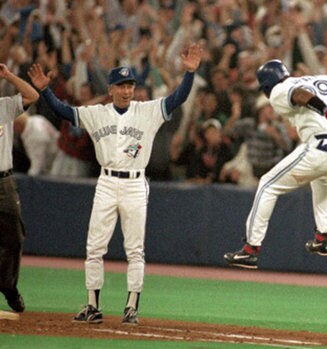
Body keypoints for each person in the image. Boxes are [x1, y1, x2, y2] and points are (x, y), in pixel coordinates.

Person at [27, 43, 202, 325]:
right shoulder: (98, 113)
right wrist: (46, 91)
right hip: (106, 182)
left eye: (130, 85)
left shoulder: (147, 111)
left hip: (134, 184)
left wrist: (190, 74)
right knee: (94, 247)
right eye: (121, 85)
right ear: (110, 89)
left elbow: (177, 98)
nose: (126, 90)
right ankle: (92, 305)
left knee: (135, 249)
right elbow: (64, 112)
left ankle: (131, 306)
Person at [224, 59, 327, 269]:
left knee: (267, 184)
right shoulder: (326, 79)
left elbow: (301, 95)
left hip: (323, 147)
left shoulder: (279, 89)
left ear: (266, 86)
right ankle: (324, 237)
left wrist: (325, 110)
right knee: (321, 176)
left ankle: (251, 249)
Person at [0, 63, 39, 313]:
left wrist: (8, 75)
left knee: (14, 237)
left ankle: (9, 287)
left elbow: (32, 95)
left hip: (4, 181)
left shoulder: (4, 105)